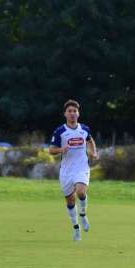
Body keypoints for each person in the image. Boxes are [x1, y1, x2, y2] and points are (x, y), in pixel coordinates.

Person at [49, 100, 99, 241]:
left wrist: (93, 152)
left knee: (81, 192)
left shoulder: (84, 129)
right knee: (70, 201)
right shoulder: (60, 132)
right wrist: (61, 149)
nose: (72, 113)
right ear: (65, 114)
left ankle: (83, 215)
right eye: (69, 111)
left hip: (82, 168)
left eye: (74, 111)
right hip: (66, 171)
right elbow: (51, 150)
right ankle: (76, 228)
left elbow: (90, 140)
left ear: (78, 113)